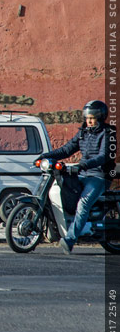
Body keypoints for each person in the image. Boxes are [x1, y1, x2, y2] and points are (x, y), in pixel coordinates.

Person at [40, 100, 116, 255]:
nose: (89, 120)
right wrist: (45, 156)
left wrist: (84, 165)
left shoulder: (108, 133)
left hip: (99, 177)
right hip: (82, 173)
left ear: (100, 118)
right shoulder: (83, 132)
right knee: (65, 190)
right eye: (87, 117)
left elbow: (104, 156)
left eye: (92, 117)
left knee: (84, 202)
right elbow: (67, 149)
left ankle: (69, 239)